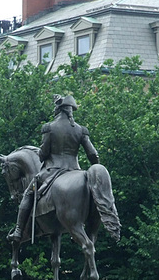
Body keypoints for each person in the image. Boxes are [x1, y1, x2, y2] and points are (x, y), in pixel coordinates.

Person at [7, 94, 100, 242]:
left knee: (27, 194)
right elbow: (93, 155)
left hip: (52, 172)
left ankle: (18, 230)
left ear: (58, 109)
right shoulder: (81, 130)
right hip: (76, 171)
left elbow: (43, 153)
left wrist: (44, 154)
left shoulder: (49, 128)